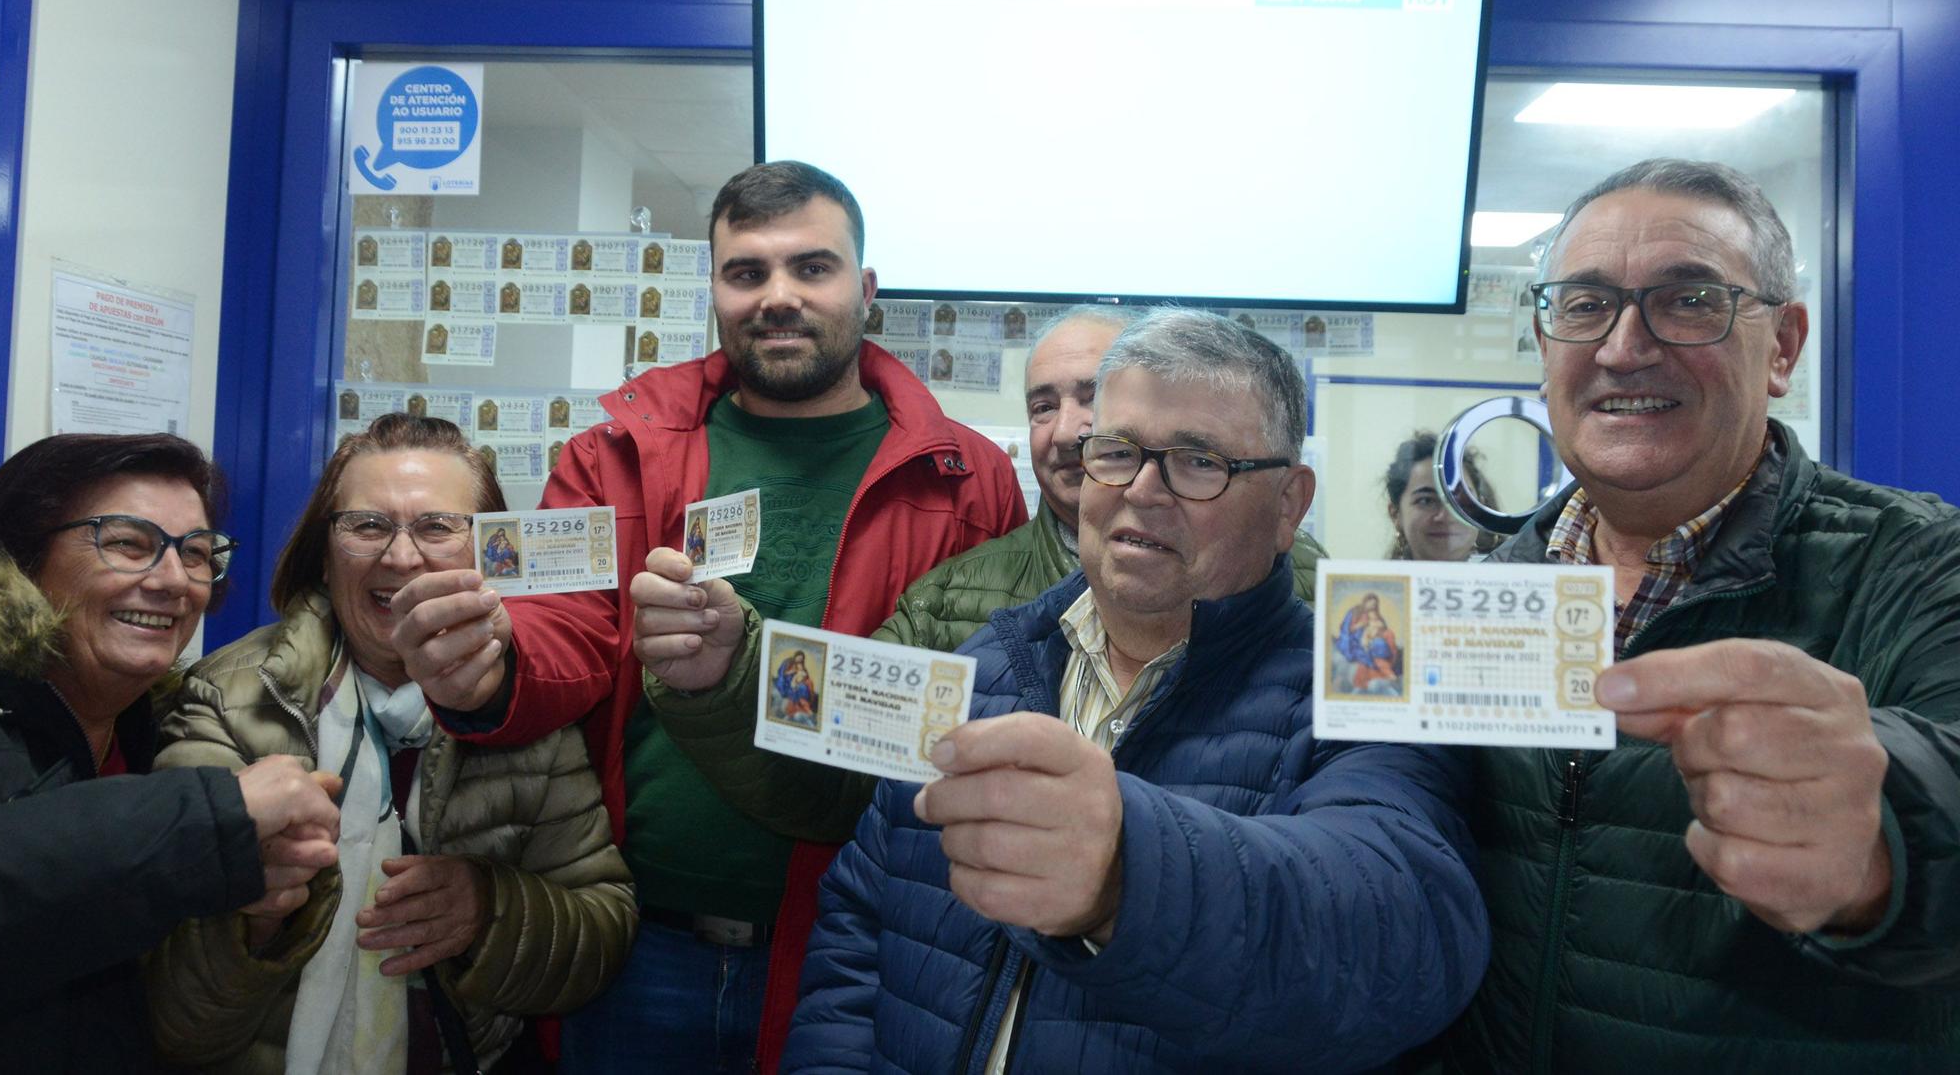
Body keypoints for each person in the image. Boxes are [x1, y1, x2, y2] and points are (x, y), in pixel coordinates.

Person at [389, 161, 1024, 1074]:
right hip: (642, 945)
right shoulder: (618, 450)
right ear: (715, 290)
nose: (779, 296)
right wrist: (492, 665)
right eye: (746, 272)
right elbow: (567, 627)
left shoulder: (963, 475)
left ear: (867, 289)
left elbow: (981, 699)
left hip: (857, 950)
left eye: (812, 268)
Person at [783, 308, 1487, 1071]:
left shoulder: (1364, 687)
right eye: (1115, 452)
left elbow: (1399, 938)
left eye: (1197, 461)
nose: (1141, 492)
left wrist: (1129, 872)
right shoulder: (985, 667)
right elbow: (859, 933)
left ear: (1289, 503)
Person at [1449, 159, 1960, 1070]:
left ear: (1783, 346)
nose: (1623, 346)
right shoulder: (1482, 597)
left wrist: (1894, 831)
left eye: (1688, 301)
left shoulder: (1921, 564)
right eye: (1583, 304)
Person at [635, 306, 1331, 849]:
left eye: (1093, 399)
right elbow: (847, 790)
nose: (1067, 431)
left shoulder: (1327, 619)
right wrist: (729, 671)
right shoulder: (952, 604)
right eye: (1042, 406)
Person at [145, 414, 636, 1073]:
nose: (401, 557)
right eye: (368, 525)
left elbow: (600, 937)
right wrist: (255, 919)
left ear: (490, 553)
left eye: (437, 526)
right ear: (324, 551)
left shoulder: (528, 709)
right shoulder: (227, 701)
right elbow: (172, 1016)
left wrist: (488, 910)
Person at [0, 433, 342, 1073]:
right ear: (20, 560)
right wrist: (209, 820)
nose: (171, 581)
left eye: (195, 554)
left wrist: (258, 919)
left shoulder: (164, 734)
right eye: (128, 544)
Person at [1384, 430, 1500, 560]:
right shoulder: (1374, 579)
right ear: (1395, 514)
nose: (1447, 516)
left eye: (1461, 500)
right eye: (1426, 501)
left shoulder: (1515, 578)